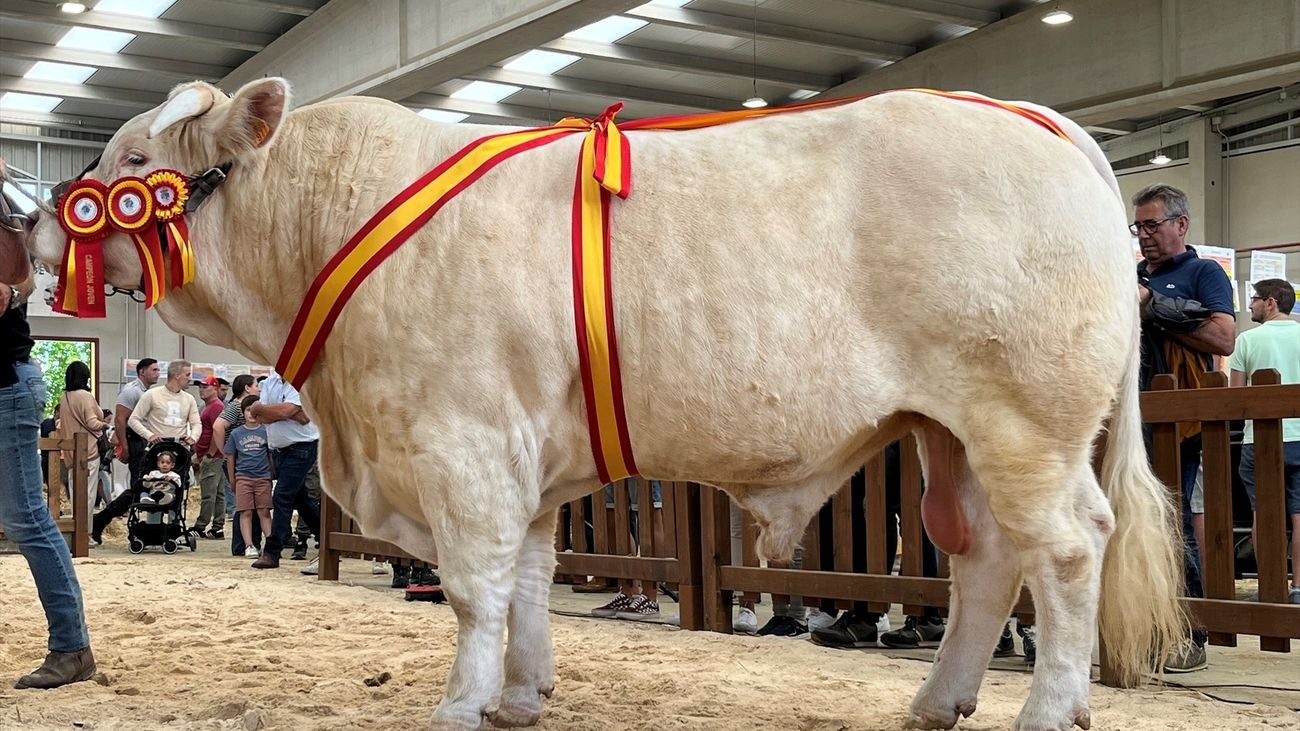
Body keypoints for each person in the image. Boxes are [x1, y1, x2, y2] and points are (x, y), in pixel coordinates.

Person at [1133, 183, 1235, 673]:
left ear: (1181, 224)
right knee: (1129, 523)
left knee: (1173, 523)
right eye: (1139, 226)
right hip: (1128, 417)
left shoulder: (1204, 272)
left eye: (1153, 224)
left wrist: (1154, 306)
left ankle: (1190, 630)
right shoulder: (1129, 273)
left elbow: (1224, 337)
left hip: (1181, 425)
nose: (1145, 235)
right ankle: (1144, 625)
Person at [0, 217, 96, 689]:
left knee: (27, 520)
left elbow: (21, 279)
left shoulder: (5, 223)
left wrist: (13, 294)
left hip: (6, 386)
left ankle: (72, 647)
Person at [1230, 278, 1300, 604]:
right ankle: (1298, 588)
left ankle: (1271, 589)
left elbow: (1235, 397)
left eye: (1255, 299)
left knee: (1263, 513)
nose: (1250, 306)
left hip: (1258, 440)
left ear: (1270, 302)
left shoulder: (1246, 340)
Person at [94, 360, 200, 543]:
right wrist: (149, 435)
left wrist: (193, 438)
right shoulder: (150, 394)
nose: (190, 379)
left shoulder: (188, 399)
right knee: (142, 487)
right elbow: (131, 419)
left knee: (177, 487)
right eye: (188, 375)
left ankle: (172, 529)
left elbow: (196, 423)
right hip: (153, 450)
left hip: (178, 450)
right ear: (177, 375)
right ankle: (116, 520)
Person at [249, 371, 320, 570]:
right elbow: (260, 417)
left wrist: (262, 408)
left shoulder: (301, 380)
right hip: (279, 449)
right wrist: (274, 411)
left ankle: (272, 551)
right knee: (299, 499)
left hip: (302, 446)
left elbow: (295, 414)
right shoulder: (270, 381)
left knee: (282, 496)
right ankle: (326, 538)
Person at [212, 374, 261, 555]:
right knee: (245, 504)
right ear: (247, 388)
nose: (259, 388)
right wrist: (225, 452)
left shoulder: (246, 405)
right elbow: (218, 426)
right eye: (256, 385)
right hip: (239, 462)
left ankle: (250, 543)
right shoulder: (236, 406)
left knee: (250, 504)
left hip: (246, 462)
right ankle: (242, 545)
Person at [225, 395, 274, 558]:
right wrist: (232, 479)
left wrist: (270, 475)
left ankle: (271, 544)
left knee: (264, 511)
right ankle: (249, 545)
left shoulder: (266, 431)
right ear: (243, 412)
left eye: (255, 410)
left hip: (263, 478)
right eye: (248, 410)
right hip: (243, 478)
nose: (251, 413)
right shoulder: (236, 433)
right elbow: (231, 457)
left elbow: (270, 455)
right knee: (245, 512)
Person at [57, 361, 108, 513]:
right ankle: (85, 531)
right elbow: (92, 422)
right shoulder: (85, 396)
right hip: (88, 450)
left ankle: (76, 530)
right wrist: (104, 425)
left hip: (70, 452)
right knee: (88, 494)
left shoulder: (65, 397)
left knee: (75, 492)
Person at [190, 375, 226, 538]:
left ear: (215, 389)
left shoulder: (216, 406)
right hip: (209, 454)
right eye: (200, 387)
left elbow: (217, 431)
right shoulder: (209, 406)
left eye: (205, 387)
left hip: (211, 456)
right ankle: (217, 526)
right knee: (217, 493)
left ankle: (201, 525)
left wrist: (210, 453)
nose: (201, 390)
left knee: (208, 493)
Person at [115, 358, 160, 487]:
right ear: (142, 372)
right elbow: (120, 419)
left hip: (147, 439)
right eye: (154, 370)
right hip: (135, 440)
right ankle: (136, 505)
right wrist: (124, 447)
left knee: (147, 476)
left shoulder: (149, 392)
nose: (157, 373)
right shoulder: (131, 390)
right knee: (138, 477)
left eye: (158, 370)